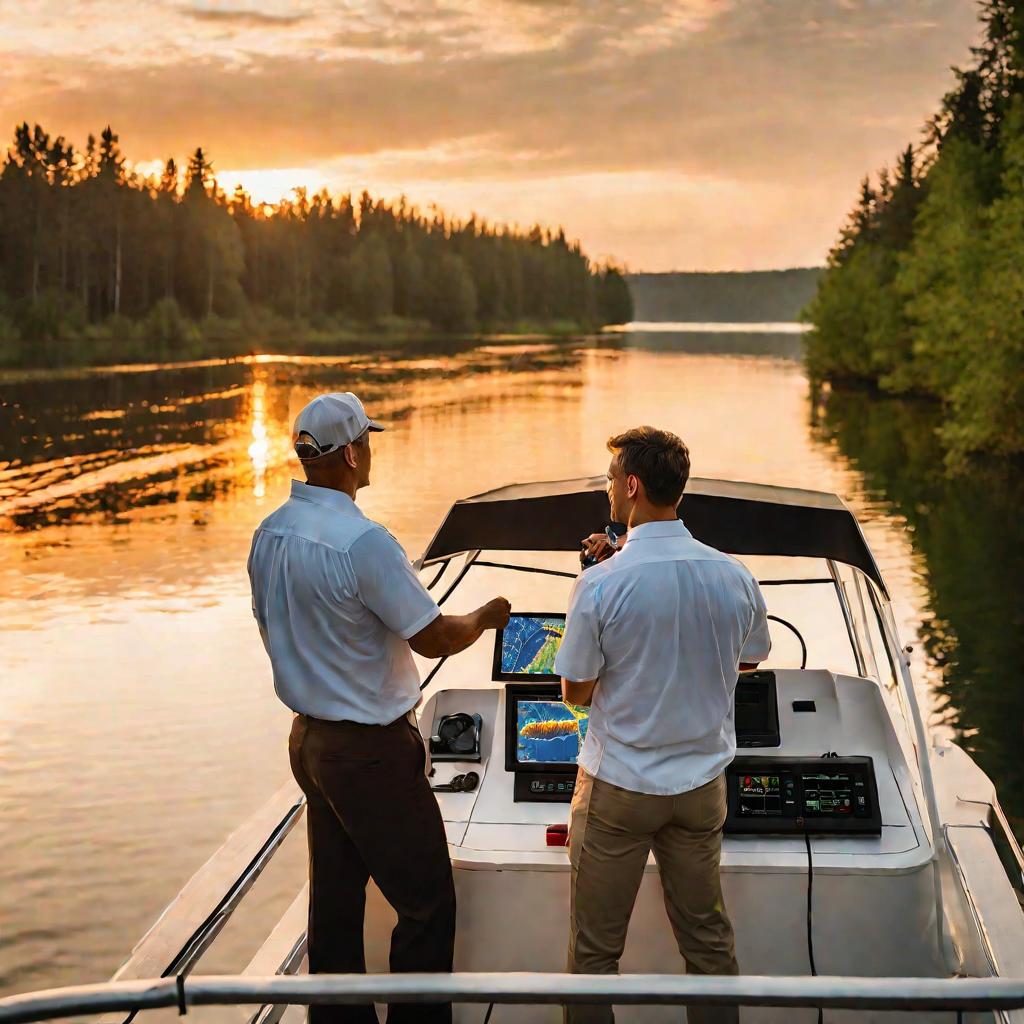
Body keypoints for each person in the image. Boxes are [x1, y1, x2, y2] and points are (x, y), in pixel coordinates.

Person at [247, 392, 510, 1024]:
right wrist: (485, 616)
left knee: (335, 907)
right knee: (426, 904)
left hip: (309, 745)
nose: (372, 452)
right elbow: (434, 637)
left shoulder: (269, 532)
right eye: (369, 440)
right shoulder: (364, 542)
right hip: (368, 753)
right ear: (353, 453)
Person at [555, 426, 771, 1024]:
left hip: (619, 789)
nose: (607, 490)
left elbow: (575, 692)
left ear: (630, 486)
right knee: (708, 945)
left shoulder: (600, 583)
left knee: (595, 954)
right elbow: (747, 657)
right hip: (700, 792)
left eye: (609, 480)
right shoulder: (733, 575)